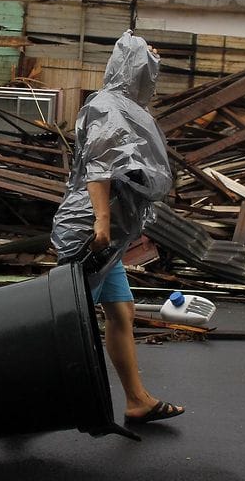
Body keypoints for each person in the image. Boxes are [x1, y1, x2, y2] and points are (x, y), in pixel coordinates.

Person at [52, 31, 184, 425]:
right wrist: (103, 223)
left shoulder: (127, 109)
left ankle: (137, 400)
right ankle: (12, 401)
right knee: (63, 325)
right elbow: (100, 167)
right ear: (132, 71)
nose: (151, 81)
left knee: (121, 312)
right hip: (90, 233)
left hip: (110, 235)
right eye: (147, 71)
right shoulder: (108, 105)